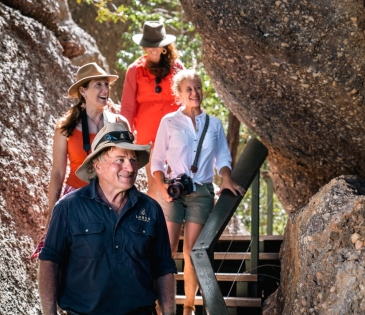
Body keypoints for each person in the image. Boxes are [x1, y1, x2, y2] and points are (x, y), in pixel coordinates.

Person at [38, 123, 177, 315]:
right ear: (98, 166)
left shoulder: (151, 209)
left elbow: (163, 267)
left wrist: (169, 313)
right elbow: (49, 262)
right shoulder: (68, 207)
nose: (129, 167)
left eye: (133, 159)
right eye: (120, 159)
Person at [151, 69, 246, 315]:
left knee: (193, 252)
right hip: (173, 191)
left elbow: (223, 157)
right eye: (189, 89)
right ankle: (162, 306)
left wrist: (226, 178)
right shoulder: (169, 121)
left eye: (198, 87)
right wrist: (162, 187)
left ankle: (189, 308)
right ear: (179, 94)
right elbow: (157, 161)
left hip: (202, 192)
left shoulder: (214, 123)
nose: (195, 93)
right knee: (167, 250)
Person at [30, 62, 130, 260]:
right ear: (83, 91)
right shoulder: (65, 127)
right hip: (76, 199)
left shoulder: (119, 124)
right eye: (98, 85)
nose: (105, 89)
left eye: (106, 84)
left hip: (110, 200)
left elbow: (128, 165)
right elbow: (58, 172)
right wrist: (52, 213)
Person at [121, 21, 184, 198]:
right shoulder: (135, 70)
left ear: (165, 46)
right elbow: (127, 106)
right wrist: (124, 135)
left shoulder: (177, 68)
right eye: (149, 46)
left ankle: (172, 221)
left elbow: (185, 102)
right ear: (144, 46)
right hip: (148, 138)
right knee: (155, 185)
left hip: (174, 134)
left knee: (174, 183)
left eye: (157, 45)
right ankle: (153, 223)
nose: (153, 49)